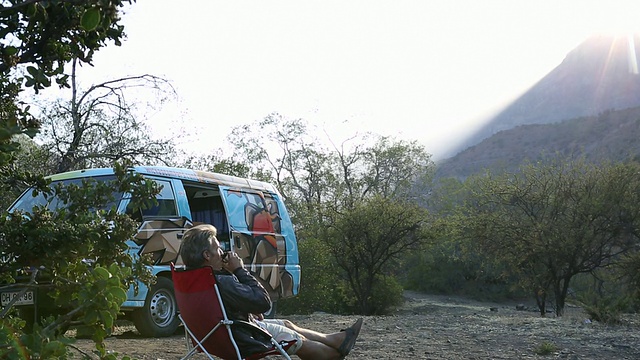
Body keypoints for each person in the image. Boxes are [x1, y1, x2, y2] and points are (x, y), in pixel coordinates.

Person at [179, 224, 363, 360]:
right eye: (217, 248)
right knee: (297, 340)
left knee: (287, 324)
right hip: (241, 337)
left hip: (212, 338)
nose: (222, 252)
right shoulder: (221, 281)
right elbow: (264, 302)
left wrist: (245, 305)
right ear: (206, 255)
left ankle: (335, 340)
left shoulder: (192, 279)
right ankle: (335, 353)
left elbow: (223, 305)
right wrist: (239, 270)